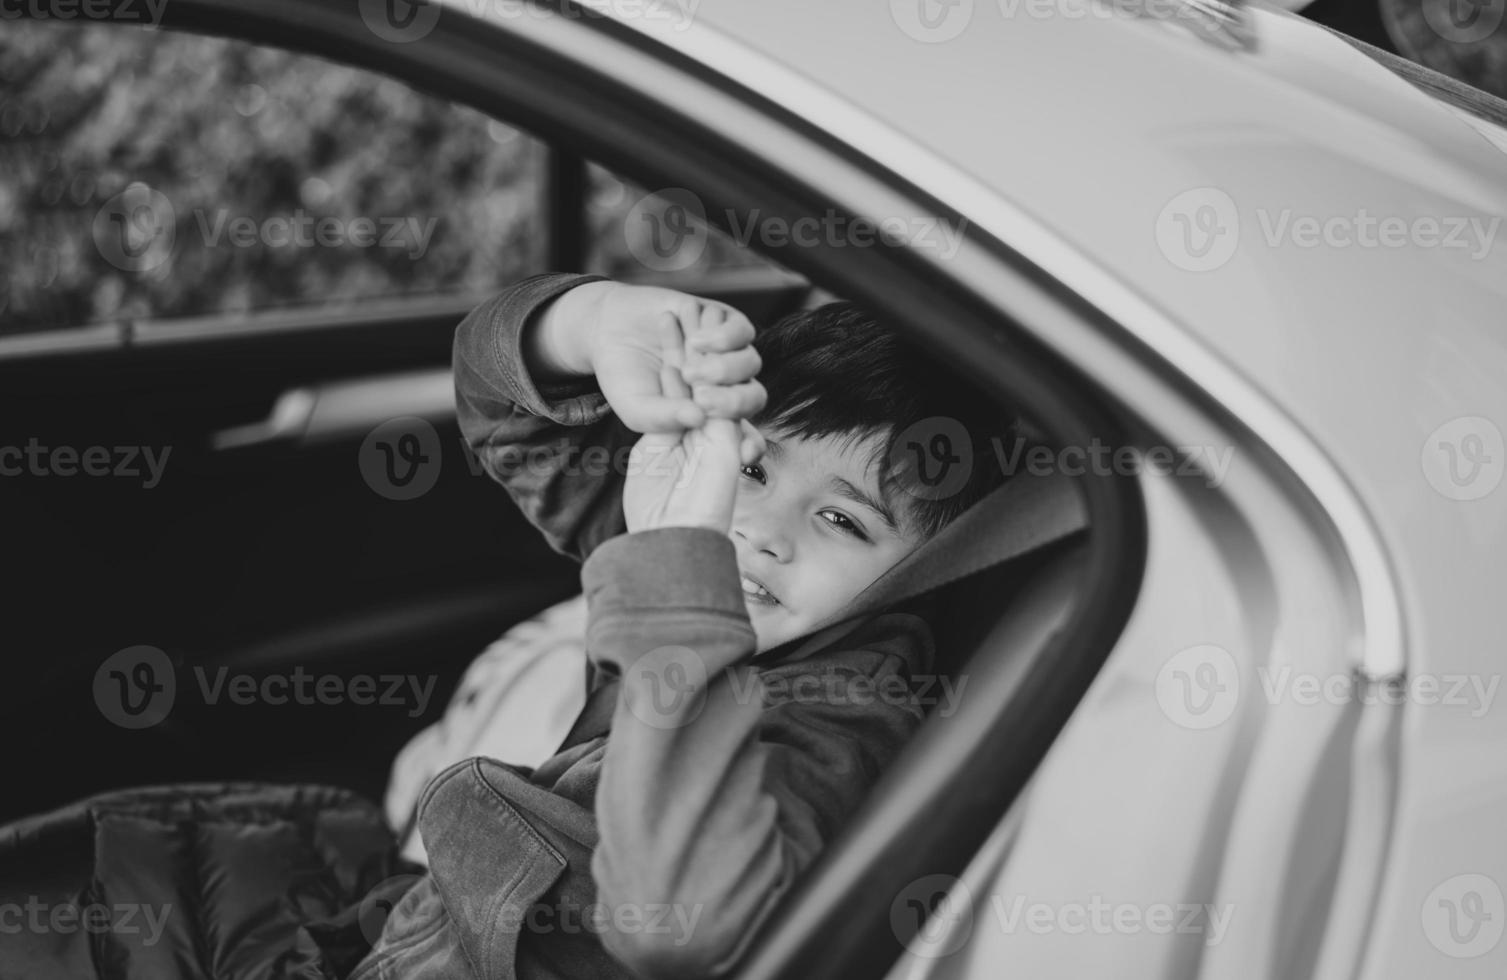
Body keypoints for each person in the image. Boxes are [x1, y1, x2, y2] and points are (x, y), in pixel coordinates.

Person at [355, 273, 1011, 980]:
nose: (759, 530)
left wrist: (677, 576)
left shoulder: (840, 715)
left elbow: (679, 928)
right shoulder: (688, 520)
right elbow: (496, 400)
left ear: (921, 574)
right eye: (754, 468)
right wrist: (596, 320)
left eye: (841, 520)